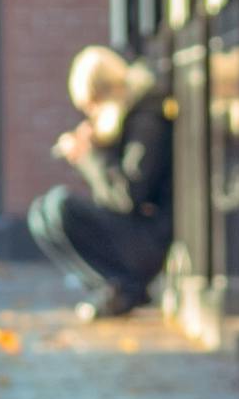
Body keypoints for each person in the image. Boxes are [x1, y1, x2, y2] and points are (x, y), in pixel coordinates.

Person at [27, 45, 172, 318]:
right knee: (40, 212)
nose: (91, 115)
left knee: (60, 205)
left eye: (92, 106)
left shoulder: (146, 118)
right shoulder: (129, 119)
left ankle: (126, 287)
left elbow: (128, 195)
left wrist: (89, 156)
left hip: (153, 236)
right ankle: (112, 288)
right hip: (140, 230)